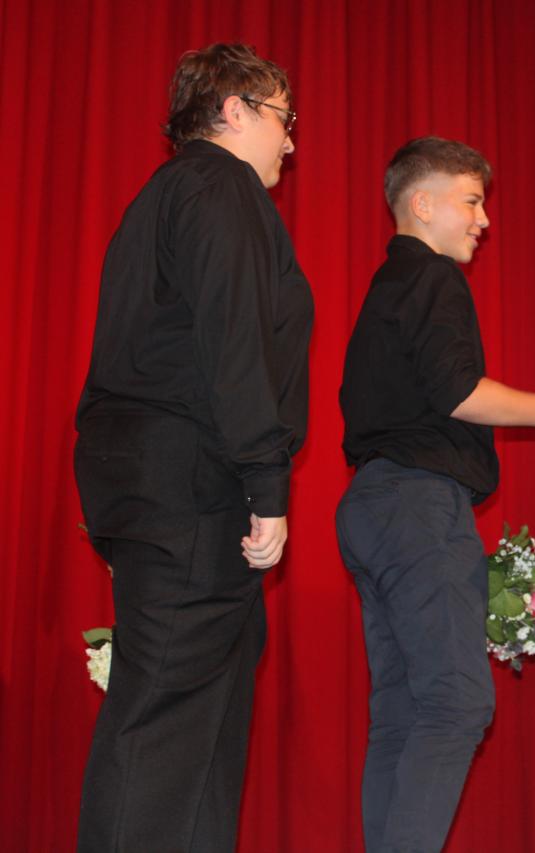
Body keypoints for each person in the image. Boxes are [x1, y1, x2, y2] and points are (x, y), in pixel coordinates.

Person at [73, 43, 311, 853]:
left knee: (201, 727)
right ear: (234, 110)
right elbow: (232, 342)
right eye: (283, 118)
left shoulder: (162, 197)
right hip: (193, 484)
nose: (291, 142)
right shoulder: (220, 186)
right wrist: (267, 484)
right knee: (166, 724)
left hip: (155, 482)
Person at [335, 136, 535, 853]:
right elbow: (459, 391)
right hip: (418, 503)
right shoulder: (433, 277)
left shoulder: (387, 285)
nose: (484, 220)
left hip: (372, 504)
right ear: (422, 204)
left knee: (402, 713)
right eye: (473, 201)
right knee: (455, 702)